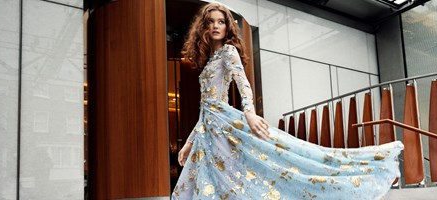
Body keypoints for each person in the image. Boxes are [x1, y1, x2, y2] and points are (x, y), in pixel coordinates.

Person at [171, 2, 403, 200]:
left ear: (227, 26)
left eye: (221, 21)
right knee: (210, 184)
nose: (215, 26)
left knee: (256, 169)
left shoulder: (228, 52)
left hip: (224, 127)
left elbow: (244, 85)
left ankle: (369, 169)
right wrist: (189, 143)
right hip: (208, 132)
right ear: (203, 26)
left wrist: (249, 113)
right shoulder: (209, 60)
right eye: (211, 21)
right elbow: (206, 110)